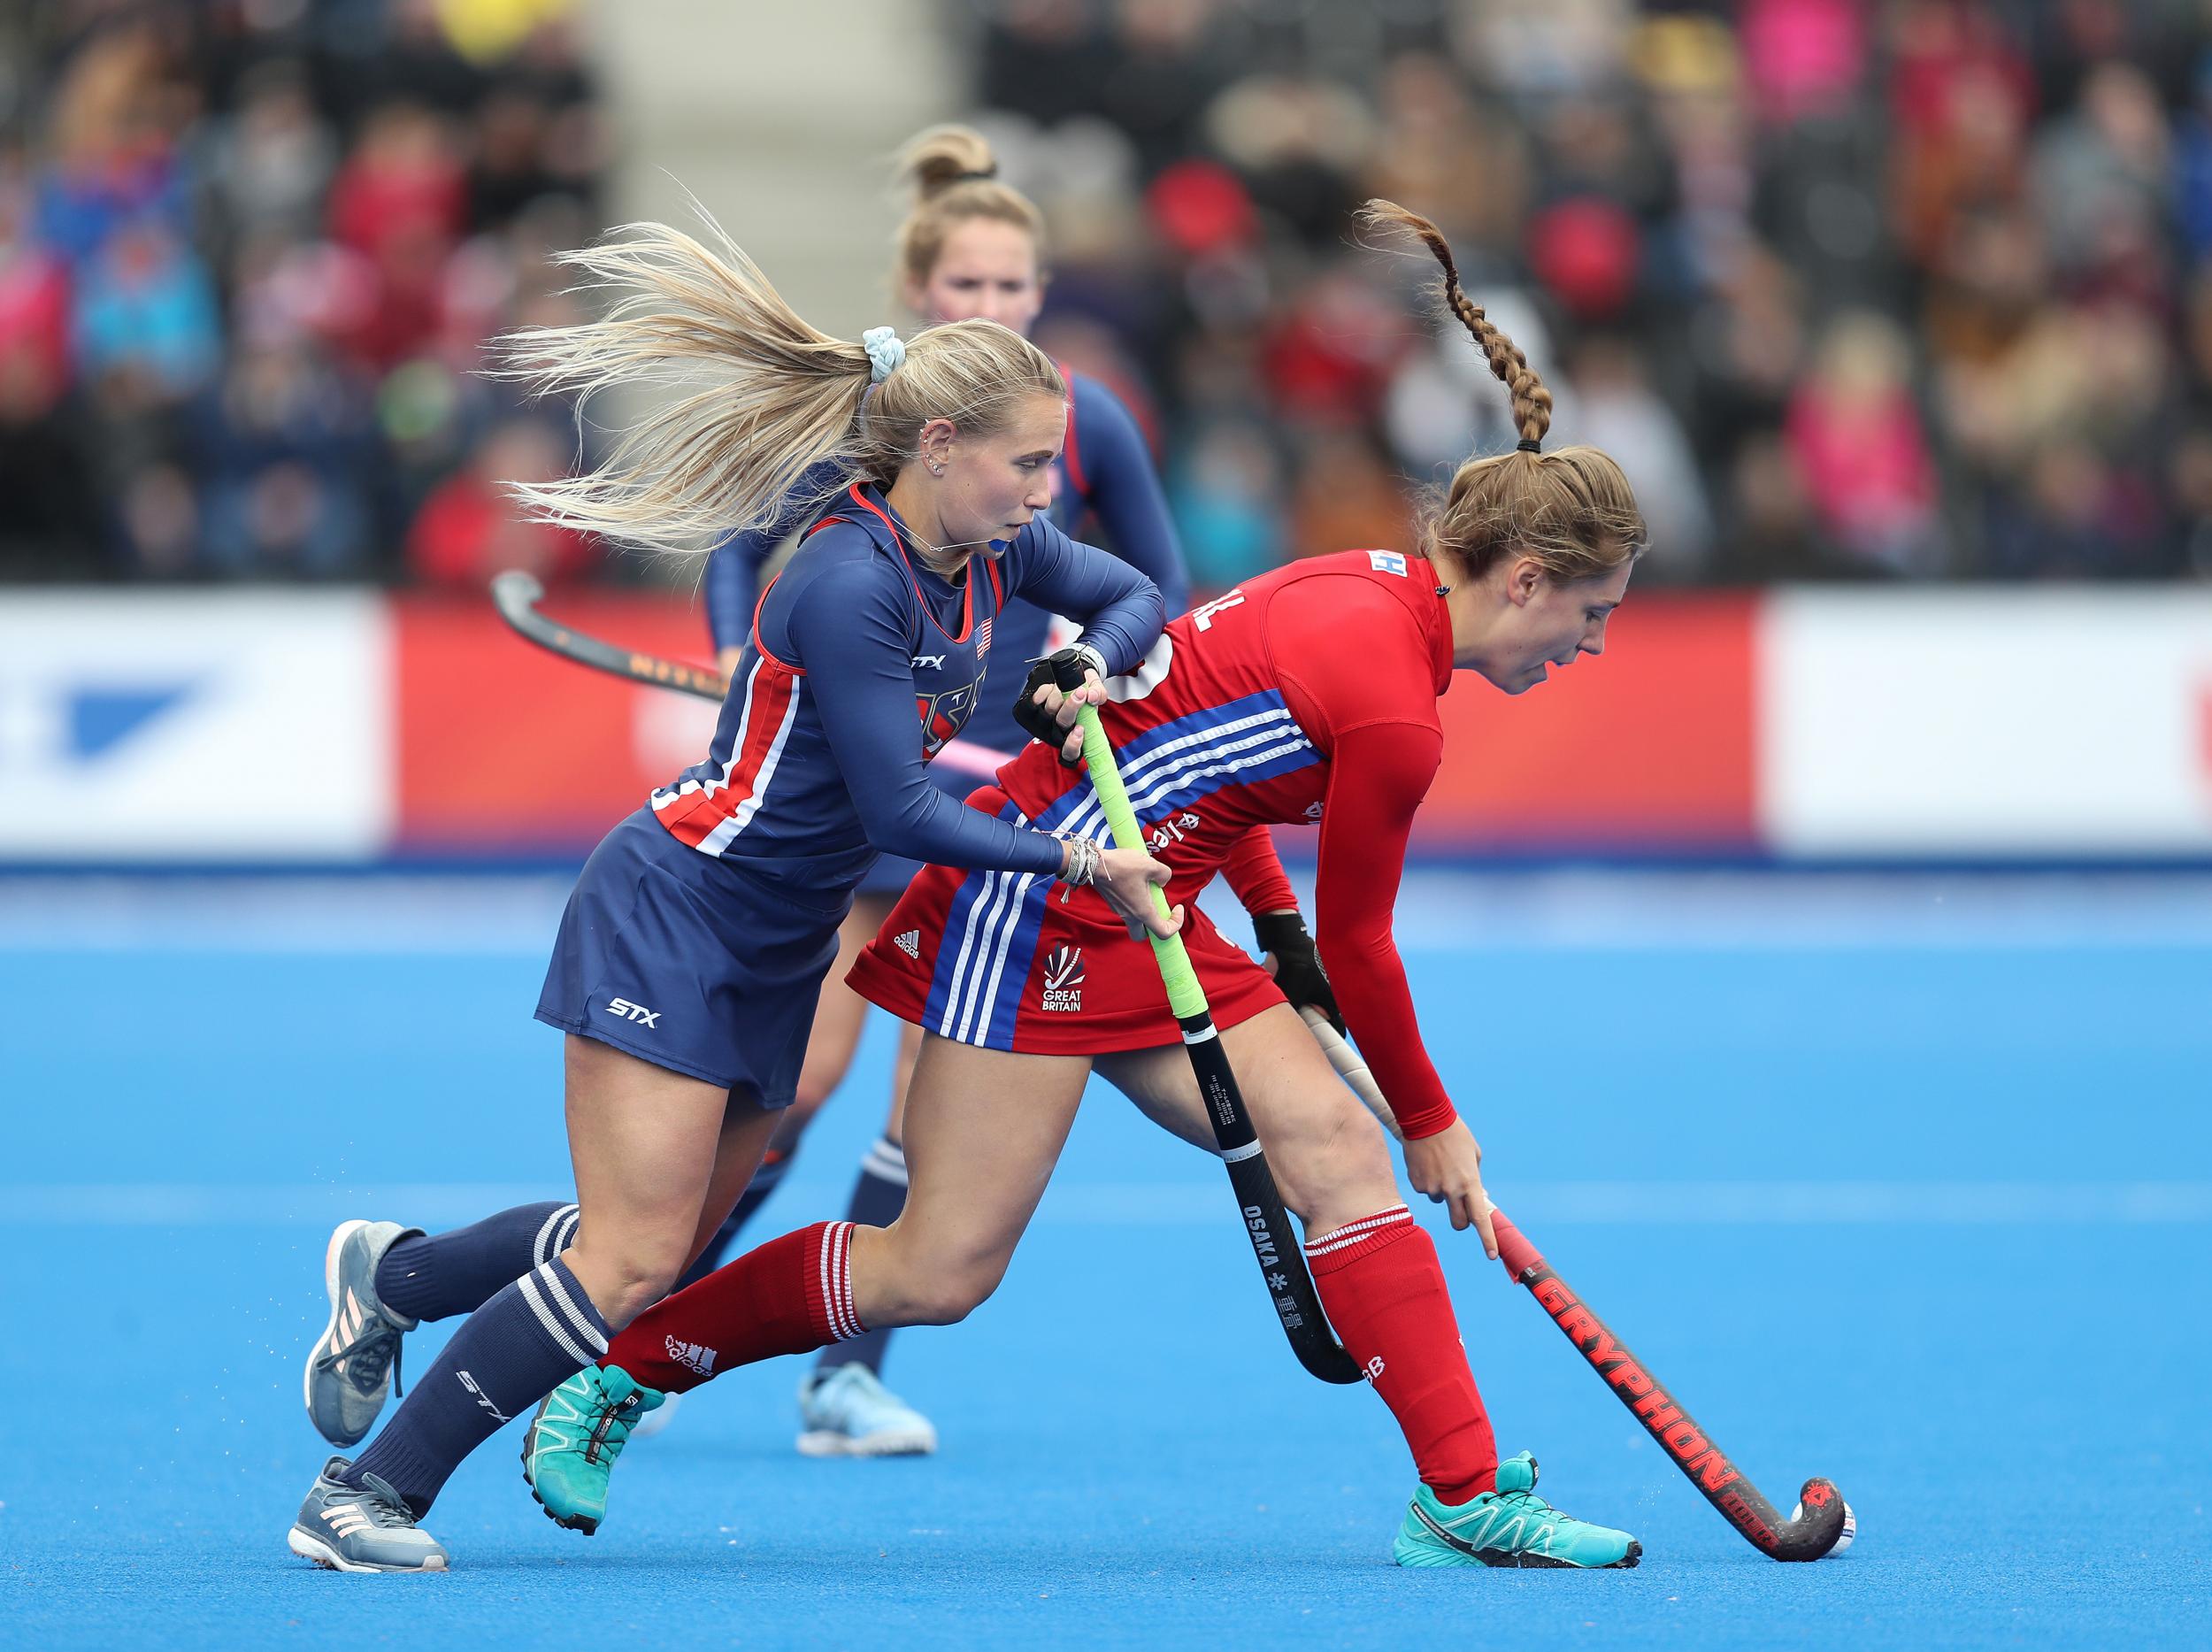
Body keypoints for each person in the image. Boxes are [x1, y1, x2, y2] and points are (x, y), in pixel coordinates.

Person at [523, 202, 1652, 1571]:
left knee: (1340, 1165)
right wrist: (1436, 1121)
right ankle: (627, 1370)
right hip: (1040, 904)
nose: (1590, 647)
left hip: (1147, 898)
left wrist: (1274, 937)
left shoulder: (1369, 589)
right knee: (938, 1270)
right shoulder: (1397, 706)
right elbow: (1368, 942)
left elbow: (1199, 774)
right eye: (1590, 616)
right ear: (1526, 580)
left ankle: (1463, 1498)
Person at [287, 208, 1178, 1573]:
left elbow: (1132, 591)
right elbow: (899, 811)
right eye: (1030, 462)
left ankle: (395, 1277)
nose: (1050, 487)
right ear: (939, 448)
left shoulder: (994, 548)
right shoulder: (845, 580)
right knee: (634, 1263)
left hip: (780, 938)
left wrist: (1087, 669)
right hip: (678, 910)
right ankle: (365, 1495)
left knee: (652, 1241)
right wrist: (1073, 858)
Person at [672, 126, 1331, 1456]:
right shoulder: (877, 426)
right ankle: (651, 1297)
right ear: (925, 295)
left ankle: (845, 1373)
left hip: (1012, 794)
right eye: (963, 287)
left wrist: (1098, 674)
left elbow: (1162, 595)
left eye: (1011, 287)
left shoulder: (1082, 425)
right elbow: (740, 559)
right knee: (798, 1087)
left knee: (930, 1096)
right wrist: (746, 666)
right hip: (877, 789)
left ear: (1040, 295)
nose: (989, 305)